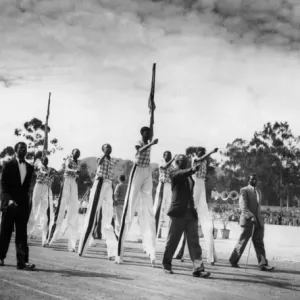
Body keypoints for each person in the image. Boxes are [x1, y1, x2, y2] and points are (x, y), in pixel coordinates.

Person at [162, 154, 210, 277]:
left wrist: (193, 209)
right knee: (173, 240)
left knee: (194, 242)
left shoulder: (189, 177)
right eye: (182, 161)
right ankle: (166, 264)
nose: (184, 163)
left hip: (190, 213)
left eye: (186, 161)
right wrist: (192, 170)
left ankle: (198, 268)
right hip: (178, 213)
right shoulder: (174, 173)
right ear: (176, 162)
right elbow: (180, 174)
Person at [115, 126, 158, 266]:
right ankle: (119, 254)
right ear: (142, 133)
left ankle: (151, 251)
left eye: (149, 132)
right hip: (137, 170)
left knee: (149, 211)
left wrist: (152, 106)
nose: (148, 134)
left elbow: (152, 120)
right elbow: (139, 150)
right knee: (129, 209)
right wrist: (151, 144)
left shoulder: (150, 139)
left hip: (147, 171)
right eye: (146, 132)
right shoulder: (139, 141)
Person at [175, 147, 218, 265]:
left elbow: (206, 169)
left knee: (206, 221)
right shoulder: (195, 159)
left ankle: (211, 256)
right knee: (188, 217)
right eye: (201, 153)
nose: (202, 154)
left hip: (201, 185)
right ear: (197, 153)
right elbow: (201, 159)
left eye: (203, 153)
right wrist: (211, 152)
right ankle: (180, 252)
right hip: (195, 184)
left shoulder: (204, 162)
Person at [78, 144, 118, 259]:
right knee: (92, 214)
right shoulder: (100, 157)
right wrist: (104, 155)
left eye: (110, 147)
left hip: (109, 184)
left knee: (108, 217)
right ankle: (82, 248)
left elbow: (112, 170)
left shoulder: (113, 160)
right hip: (99, 183)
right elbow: (99, 163)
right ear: (103, 150)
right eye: (106, 148)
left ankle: (112, 251)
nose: (109, 149)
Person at [0, 142, 35, 270]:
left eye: (25, 149)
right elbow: (3, 187)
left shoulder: (30, 168)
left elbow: (27, 189)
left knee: (22, 235)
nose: (23, 150)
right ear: (16, 150)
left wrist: (27, 203)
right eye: (21, 148)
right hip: (9, 206)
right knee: (5, 232)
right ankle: (0, 256)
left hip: (22, 207)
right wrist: (8, 201)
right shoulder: (8, 166)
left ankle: (22, 262)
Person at [229, 174, 274, 271]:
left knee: (259, 242)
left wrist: (259, 217)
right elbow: (243, 206)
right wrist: (251, 216)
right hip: (248, 220)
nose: (254, 180)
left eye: (255, 179)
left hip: (258, 221)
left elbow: (257, 207)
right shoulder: (244, 190)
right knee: (243, 241)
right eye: (252, 179)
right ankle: (233, 260)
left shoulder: (259, 192)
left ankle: (263, 264)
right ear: (248, 180)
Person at [48, 149, 81, 252]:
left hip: (74, 183)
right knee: (61, 209)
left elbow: (78, 174)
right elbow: (67, 168)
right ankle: (51, 238)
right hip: (66, 181)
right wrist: (75, 172)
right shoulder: (68, 159)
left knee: (74, 211)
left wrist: (77, 176)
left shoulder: (79, 162)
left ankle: (72, 245)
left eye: (78, 153)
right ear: (72, 153)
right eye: (75, 152)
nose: (77, 154)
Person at [27, 156, 58, 246]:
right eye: (44, 160)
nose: (45, 161)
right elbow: (41, 174)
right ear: (42, 161)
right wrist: (49, 174)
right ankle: (28, 235)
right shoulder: (38, 167)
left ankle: (44, 239)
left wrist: (51, 175)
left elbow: (52, 178)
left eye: (46, 160)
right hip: (38, 186)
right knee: (34, 211)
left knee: (44, 213)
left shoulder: (50, 169)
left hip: (46, 188)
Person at [153, 151, 175, 239]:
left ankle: (169, 233)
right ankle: (154, 231)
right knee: (158, 207)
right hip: (162, 185)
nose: (169, 157)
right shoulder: (162, 162)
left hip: (169, 186)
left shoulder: (172, 166)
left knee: (168, 209)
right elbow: (164, 167)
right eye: (167, 155)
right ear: (164, 156)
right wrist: (173, 159)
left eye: (170, 156)